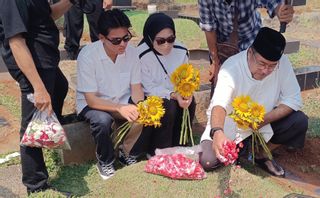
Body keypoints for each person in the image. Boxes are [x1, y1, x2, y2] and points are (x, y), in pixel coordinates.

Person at [199, 27, 308, 177]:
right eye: (262, 64)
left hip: (262, 123)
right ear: (250, 52)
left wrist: (263, 120)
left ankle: (261, 154)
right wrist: (217, 131)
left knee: (299, 121)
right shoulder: (231, 68)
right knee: (208, 161)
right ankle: (241, 150)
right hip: (230, 125)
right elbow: (219, 104)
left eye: (271, 66)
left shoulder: (282, 63)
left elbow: (293, 99)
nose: (265, 70)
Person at [0, 0, 72, 195]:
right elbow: (16, 42)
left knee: (60, 87)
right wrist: (38, 87)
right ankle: (36, 185)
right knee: (32, 127)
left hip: (45, 60)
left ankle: (50, 132)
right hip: (34, 68)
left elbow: (48, 15)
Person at [76, 9, 144, 179]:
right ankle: (105, 161)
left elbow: (136, 88)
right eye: (116, 40)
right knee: (102, 120)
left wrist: (141, 106)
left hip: (121, 99)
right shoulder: (87, 56)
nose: (123, 44)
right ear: (101, 38)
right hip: (93, 103)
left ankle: (126, 152)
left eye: (126, 38)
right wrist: (120, 108)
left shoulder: (133, 53)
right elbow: (91, 100)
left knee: (145, 112)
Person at [131, 13, 196, 158]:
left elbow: (186, 78)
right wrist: (173, 95)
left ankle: (180, 147)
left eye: (171, 39)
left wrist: (186, 93)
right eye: (160, 41)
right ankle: (157, 151)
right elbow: (148, 87)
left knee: (190, 104)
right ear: (149, 38)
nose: (167, 45)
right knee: (168, 107)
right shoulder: (141, 55)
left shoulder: (181, 50)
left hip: (176, 93)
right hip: (153, 96)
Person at [198, 0, 294, 94]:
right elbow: (209, 27)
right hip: (223, 50)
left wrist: (282, 11)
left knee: (251, 88)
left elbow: (274, 2)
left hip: (250, 44)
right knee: (221, 88)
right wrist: (215, 61)